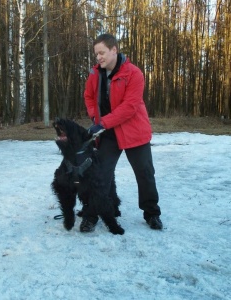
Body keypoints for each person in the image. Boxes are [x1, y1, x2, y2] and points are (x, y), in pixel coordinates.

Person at [82, 33, 163, 232]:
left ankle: (151, 213)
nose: (98, 57)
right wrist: (95, 118)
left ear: (114, 50)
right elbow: (89, 97)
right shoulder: (95, 75)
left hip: (134, 131)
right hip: (108, 133)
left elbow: (130, 107)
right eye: (96, 54)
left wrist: (103, 123)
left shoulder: (134, 73)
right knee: (101, 175)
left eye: (102, 53)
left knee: (145, 173)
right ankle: (91, 215)